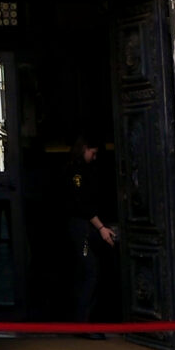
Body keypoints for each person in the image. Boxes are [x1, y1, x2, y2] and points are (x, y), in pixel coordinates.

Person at [63, 132, 116, 324]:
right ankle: (84, 321)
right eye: (93, 153)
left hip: (83, 228)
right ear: (84, 149)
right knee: (91, 271)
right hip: (82, 229)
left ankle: (85, 319)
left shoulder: (82, 170)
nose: (94, 157)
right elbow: (82, 204)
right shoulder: (76, 172)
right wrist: (101, 227)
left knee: (86, 271)